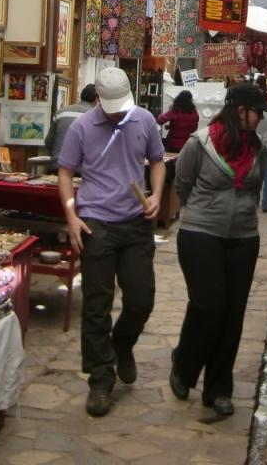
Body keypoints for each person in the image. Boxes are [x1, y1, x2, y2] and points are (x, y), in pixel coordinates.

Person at [58, 66, 166, 417]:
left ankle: (121, 344)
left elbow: (157, 161)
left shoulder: (144, 120)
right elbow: (65, 171)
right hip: (96, 222)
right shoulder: (81, 127)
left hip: (135, 222)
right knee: (96, 304)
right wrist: (72, 216)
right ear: (99, 100)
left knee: (141, 298)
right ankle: (100, 379)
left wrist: (156, 195)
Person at [171, 83, 267, 418]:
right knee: (208, 306)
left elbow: (256, 189)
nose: (261, 119)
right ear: (240, 111)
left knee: (232, 314)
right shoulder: (200, 142)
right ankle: (184, 363)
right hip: (200, 232)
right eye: (257, 112)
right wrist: (205, 211)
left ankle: (218, 387)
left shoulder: (258, 147)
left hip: (243, 236)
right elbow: (183, 183)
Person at [45, 84, 97, 166]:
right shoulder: (95, 116)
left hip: (56, 164)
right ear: (96, 100)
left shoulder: (61, 112)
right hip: (81, 168)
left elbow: (48, 142)